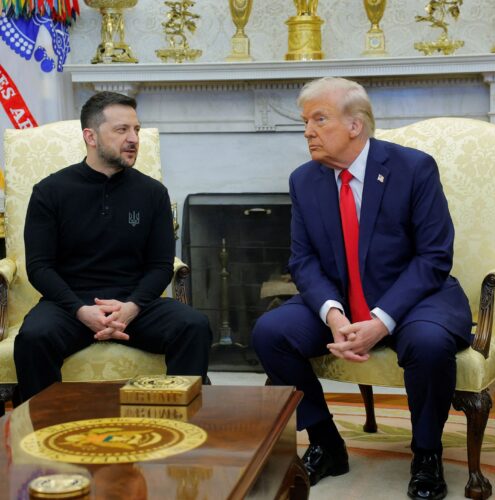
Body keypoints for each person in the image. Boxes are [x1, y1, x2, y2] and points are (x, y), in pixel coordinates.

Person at [252, 77, 472, 500]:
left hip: (414, 299)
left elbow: (433, 257)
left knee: (429, 344)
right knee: (271, 332)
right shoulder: (304, 180)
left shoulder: (413, 168)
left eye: (319, 119)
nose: (307, 131)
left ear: (355, 125)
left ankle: (427, 454)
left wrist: (380, 321)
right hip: (341, 298)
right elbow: (303, 260)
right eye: (305, 121)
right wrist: (333, 314)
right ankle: (326, 442)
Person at [14, 91, 212, 401]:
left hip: (135, 305)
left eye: (136, 129)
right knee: (33, 337)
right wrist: (81, 310)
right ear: (90, 136)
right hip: (69, 305)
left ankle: (178, 425)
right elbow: (40, 267)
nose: (133, 138)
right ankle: (46, 429)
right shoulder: (50, 191)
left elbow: (160, 265)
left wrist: (131, 308)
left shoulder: (153, 193)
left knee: (193, 325)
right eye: (122, 130)